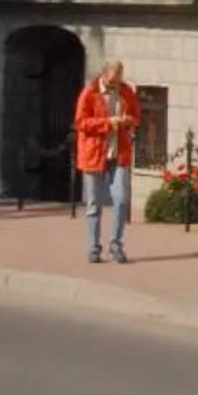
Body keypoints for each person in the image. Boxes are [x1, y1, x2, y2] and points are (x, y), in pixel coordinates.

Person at [73, 58, 141, 265]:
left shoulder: (127, 92)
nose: (115, 86)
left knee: (120, 200)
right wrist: (107, 123)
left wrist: (127, 121)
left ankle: (116, 245)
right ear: (104, 75)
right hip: (94, 154)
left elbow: (136, 117)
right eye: (112, 82)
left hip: (119, 154)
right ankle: (94, 248)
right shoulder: (89, 93)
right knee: (94, 204)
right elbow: (81, 123)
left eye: (119, 81)